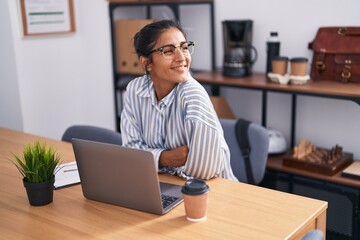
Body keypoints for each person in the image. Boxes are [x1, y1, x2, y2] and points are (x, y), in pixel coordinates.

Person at [121, 19, 237, 181]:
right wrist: (165, 158)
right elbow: (130, 153)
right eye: (168, 51)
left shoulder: (193, 95)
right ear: (146, 63)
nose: (182, 57)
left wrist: (152, 160)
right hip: (163, 184)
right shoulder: (135, 90)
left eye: (184, 47)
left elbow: (204, 171)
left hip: (213, 191)